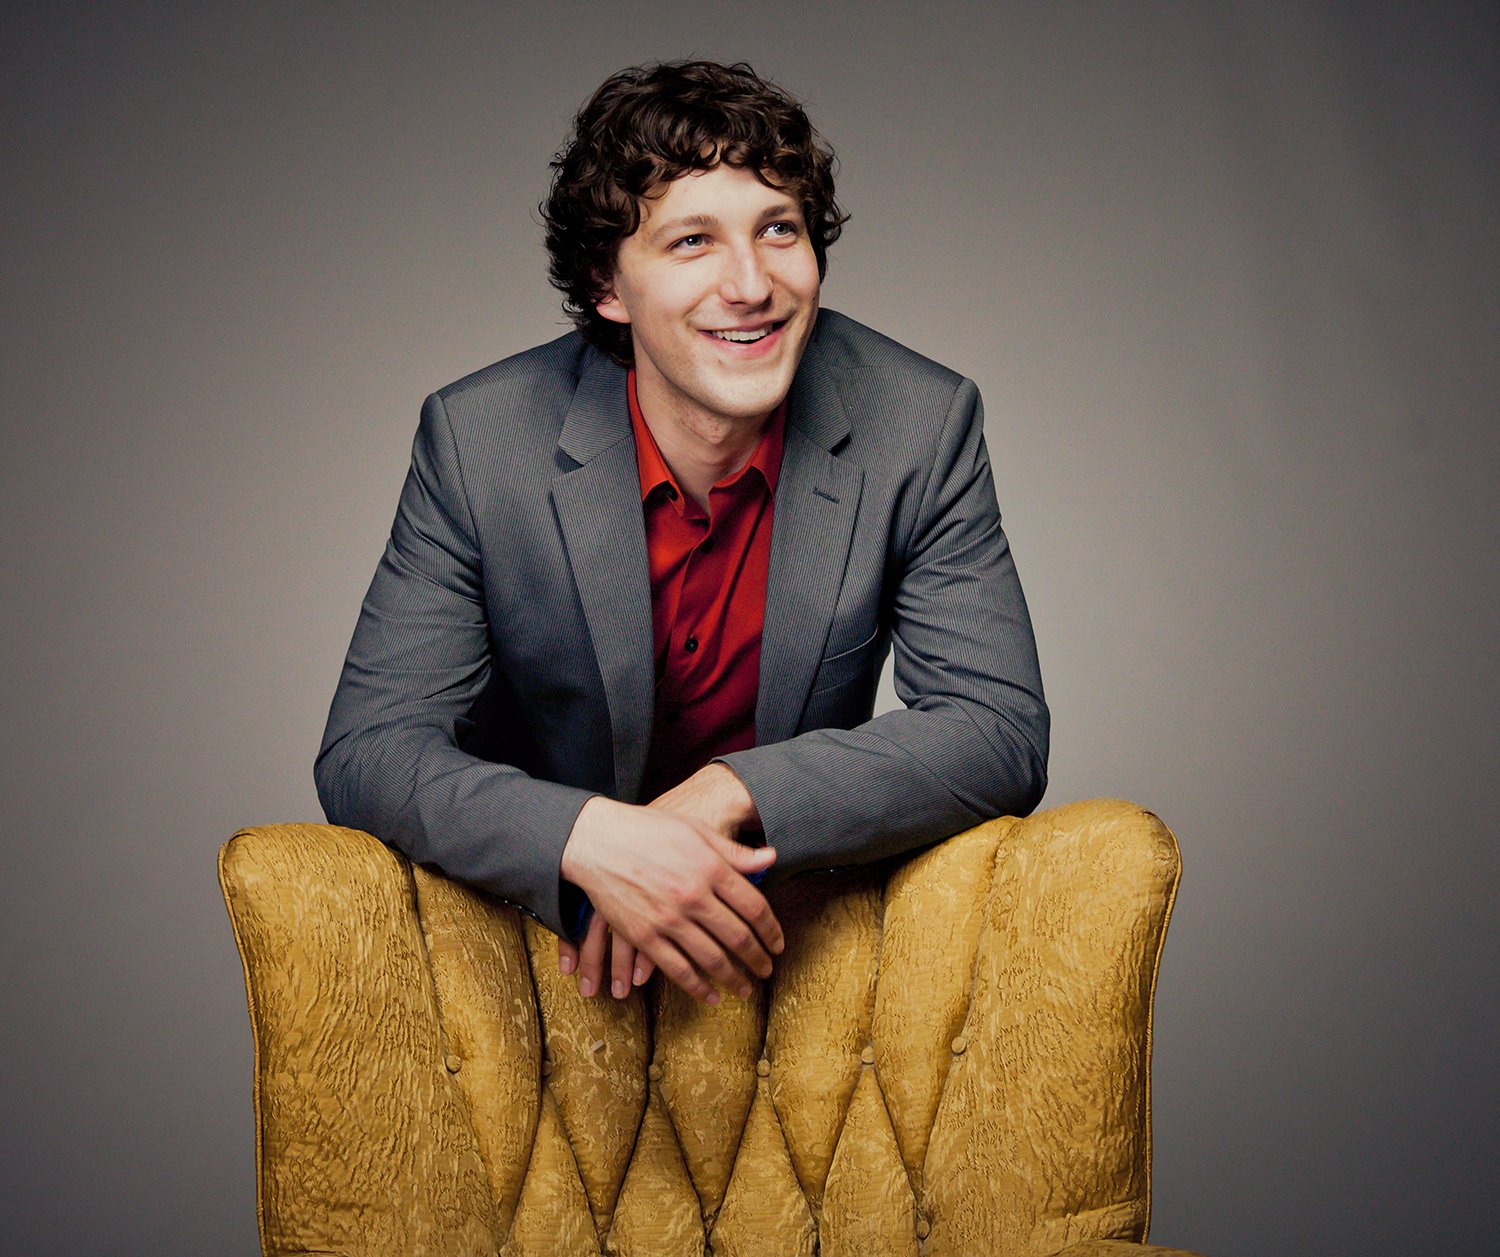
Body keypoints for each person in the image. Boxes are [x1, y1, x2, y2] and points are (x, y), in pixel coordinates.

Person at [315, 59, 1047, 1010]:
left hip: (790, 951)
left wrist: (723, 793)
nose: (750, 283)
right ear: (607, 286)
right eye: (692, 240)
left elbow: (998, 728)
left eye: (777, 229)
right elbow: (368, 750)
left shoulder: (921, 421)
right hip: (549, 965)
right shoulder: (480, 441)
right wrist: (597, 840)